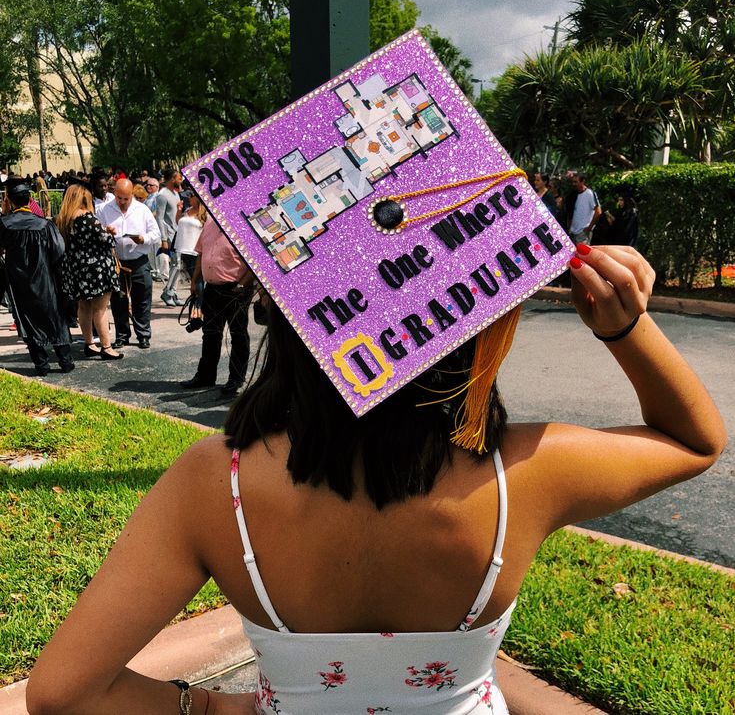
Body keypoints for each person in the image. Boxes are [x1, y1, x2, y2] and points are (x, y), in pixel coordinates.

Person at [26, 243, 726, 714]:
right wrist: (625, 326)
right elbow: (693, 442)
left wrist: (209, 704)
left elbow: (60, 693)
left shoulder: (217, 484)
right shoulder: (529, 469)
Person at [0, 177, 74, 375]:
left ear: (9, 200)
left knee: (28, 319)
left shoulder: (4, 224)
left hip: (19, 281)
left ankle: (41, 364)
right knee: (54, 315)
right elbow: (59, 252)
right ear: (29, 198)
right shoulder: (44, 224)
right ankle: (65, 361)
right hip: (45, 278)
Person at [180, 215, 253, 396]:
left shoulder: (243, 225)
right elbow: (201, 253)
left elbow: (255, 261)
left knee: (238, 335)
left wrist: (242, 285)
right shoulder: (210, 222)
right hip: (212, 288)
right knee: (210, 333)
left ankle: (236, 379)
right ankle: (205, 376)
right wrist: (195, 280)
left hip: (236, 288)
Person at [56, 179, 123, 361]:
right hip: (96, 269)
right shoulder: (87, 218)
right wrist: (109, 232)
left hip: (76, 268)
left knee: (83, 307)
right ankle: (107, 347)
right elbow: (107, 241)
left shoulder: (64, 219)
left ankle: (89, 344)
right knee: (100, 309)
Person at [97, 179, 160, 349]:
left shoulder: (142, 209)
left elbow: (156, 234)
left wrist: (143, 238)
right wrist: (106, 232)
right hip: (117, 261)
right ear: (114, 193)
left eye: (126, 199)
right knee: (118, 300)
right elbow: (96, 233)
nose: (122, 202)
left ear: (132, 194)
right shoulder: (104, 209)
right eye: (119, 198)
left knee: (142, 299)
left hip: (139, 260)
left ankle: (143, 335)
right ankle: (122, 335)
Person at [156, 168, 183, 294]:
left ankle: (173, 291)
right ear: (172, 179)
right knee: (176, 264)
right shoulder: (162, 195)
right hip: (169, 234)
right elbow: (160, 218)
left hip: (177, 233)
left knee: (178, 264)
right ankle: (168, 292)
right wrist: (163, 239)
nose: (181, 180)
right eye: (179, 178)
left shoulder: (176, 193)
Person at [568, 173, 601, 246]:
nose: (574, 184)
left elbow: (598, 212)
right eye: (573, 182)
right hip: (573, 231)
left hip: (583, 233)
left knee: (582, 255)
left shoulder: (589, 193)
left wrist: (589, 228)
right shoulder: (574, 194)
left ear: (582, 182)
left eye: (576, 182)